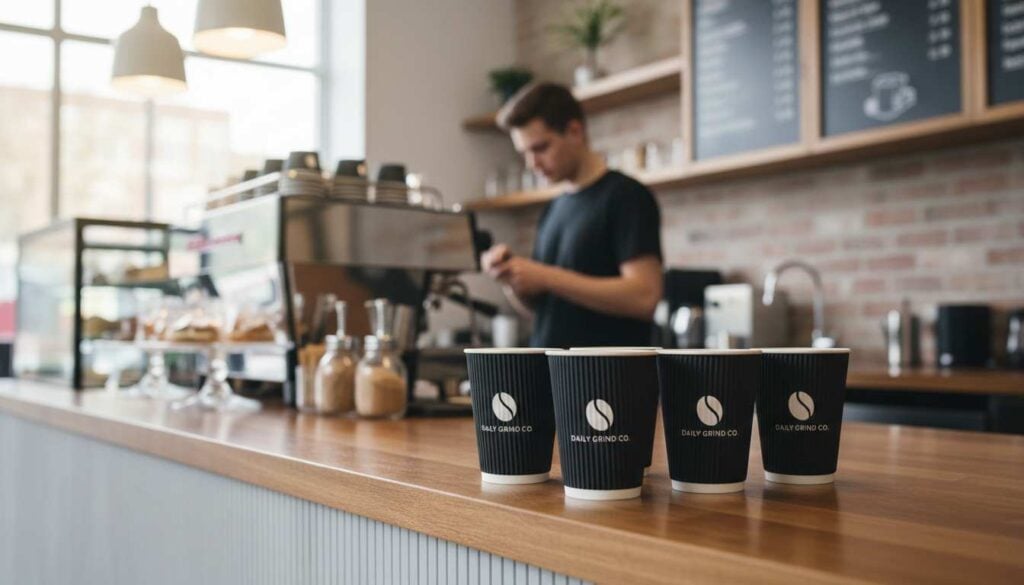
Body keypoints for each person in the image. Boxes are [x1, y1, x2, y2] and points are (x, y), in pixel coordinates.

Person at [481, 82, 663, 348]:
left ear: (575, 132)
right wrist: (511, 280)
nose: (532, 164)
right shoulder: (554, 208)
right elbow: (543, 312)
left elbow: (644, 297)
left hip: (606, 383)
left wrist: (545, 276)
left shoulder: (627, 197)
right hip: (552, 378)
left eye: (540, 148)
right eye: (525, 154)